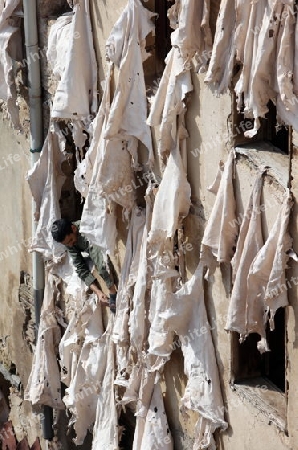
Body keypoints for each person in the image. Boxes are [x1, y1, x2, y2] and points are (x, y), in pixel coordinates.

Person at [51, 218, 117, 313]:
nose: (70, 245)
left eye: (70, 240)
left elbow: (99, 259)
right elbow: (80, 268)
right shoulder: (70, 244)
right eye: (67, 244)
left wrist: (112, 293)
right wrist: (98, 292)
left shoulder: (86, 230)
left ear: (73, 228)